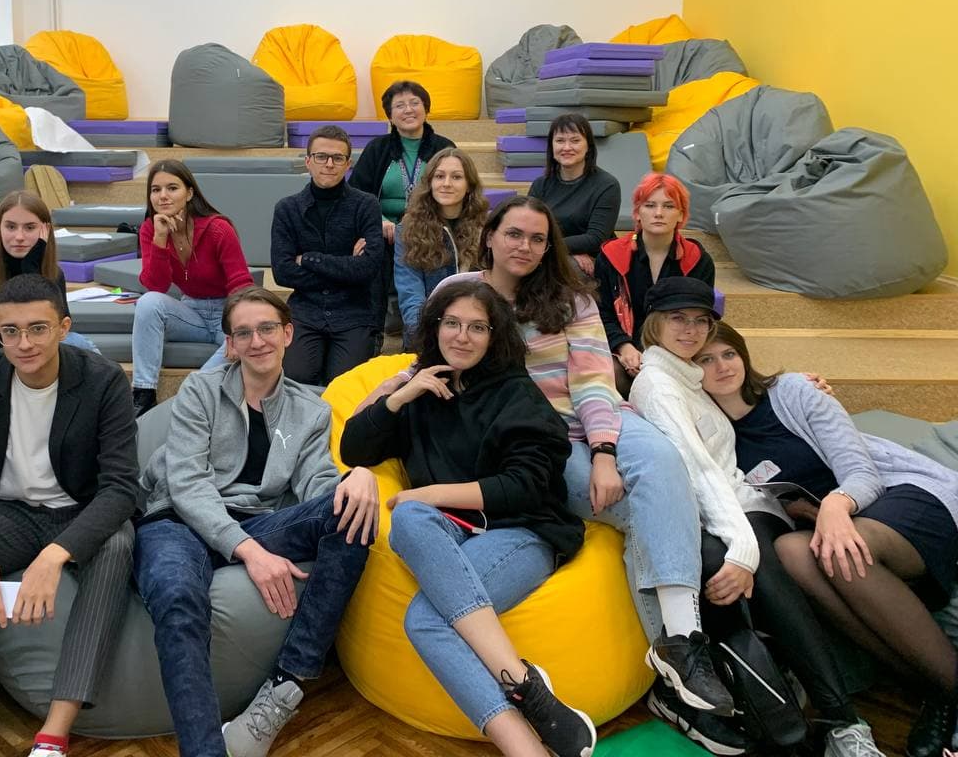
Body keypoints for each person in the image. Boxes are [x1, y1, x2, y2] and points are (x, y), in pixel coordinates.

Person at [362, 196, 729, 721]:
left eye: (537, 238)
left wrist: (604, 450)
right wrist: (392, 392)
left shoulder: (569, 297)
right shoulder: (460, 290)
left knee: (662, 461)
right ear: (490, 236)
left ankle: (684, 641)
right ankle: (674, 660)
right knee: (649, 511)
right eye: (514, 234)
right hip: (535, 435)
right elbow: (431, 356)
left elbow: (593, 378)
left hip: (596, 417)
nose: (525, 246)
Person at [629, 278, 886, 757]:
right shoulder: (658, 385)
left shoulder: (687, 375)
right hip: (734, 511)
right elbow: (699, 471)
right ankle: (833, 720)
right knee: (744, 567)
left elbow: (728, 437)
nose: (690, 330)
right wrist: (742, 548)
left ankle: (831, 717)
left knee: (756, 566)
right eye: (677, 318)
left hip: (748, 505)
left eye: (700, 321)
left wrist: (797, 385)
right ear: (653, 324)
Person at [342, 280, 595, 757]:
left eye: (477, 327)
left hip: (521, 531)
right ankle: (526, 688)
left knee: (425, 621)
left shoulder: (516, 393)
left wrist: (432, 494)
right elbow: (353, 447)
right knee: (411, 517)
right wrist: (398, 395)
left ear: (494, 336)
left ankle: (523, 740)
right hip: (449, 533)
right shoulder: (423, 389)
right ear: (434, 328)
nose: (462, 336)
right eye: (452, 323)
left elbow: (526, 485)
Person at [134, 286, 377, 757]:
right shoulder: (200, 391)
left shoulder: (311, 410)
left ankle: (287, 684)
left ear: (288, 334)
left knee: (351, 513)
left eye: (267, 328)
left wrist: (358, 477)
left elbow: (317, 485)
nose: (257, 341)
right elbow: (187, 484)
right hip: (177, 522)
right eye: (243, 333)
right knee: (176, 594)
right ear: (230, 344)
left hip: (257, 522)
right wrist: (251, 554)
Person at [697, 321, 958, 757]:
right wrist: (809, 514)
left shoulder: (794, 390)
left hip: (895, 495)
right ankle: (937, 690)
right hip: (830, 523)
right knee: (790, 551)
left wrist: (836, 506)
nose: (722, 366)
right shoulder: (716, 439)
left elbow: (861, 471)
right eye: (705, 360)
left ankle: (948, 689)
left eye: (729, 354)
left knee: (840, 548)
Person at [0, 274, 139, 757]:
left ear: (64, 328)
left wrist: (54, 557)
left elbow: (120, 487)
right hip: (5, 514)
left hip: (77, 513)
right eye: (10, 331)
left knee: (118, 542)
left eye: (38, 328)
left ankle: (54, 735)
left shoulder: (103, 380)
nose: (24, 343)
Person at [131, 160, 255, 416]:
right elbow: (156, 285)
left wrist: (235, 330)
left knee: (245, 346)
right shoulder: (150, 229)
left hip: (227, 312)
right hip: (190, 313)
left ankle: (189, 395)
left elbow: (241, 284)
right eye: (155, 190)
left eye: (172, 188)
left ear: (189, 193)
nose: (163, 196)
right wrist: (160, 239)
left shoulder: (218, 229)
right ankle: (143, 394)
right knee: (148, 303)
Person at [270, 125, 384, 386]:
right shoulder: (287, 209)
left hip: (354, 312)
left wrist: (309, 259)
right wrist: (347, 267)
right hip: (305, 312)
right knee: (295, 379)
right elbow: (283, 272)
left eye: (337, 158)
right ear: (308, 161)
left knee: (344, 383)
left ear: (348, 164)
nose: (329, 164)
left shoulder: (366, 205)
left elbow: (368, 269)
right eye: (321, 157)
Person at [349, 80, 456, 342]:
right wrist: (378, 220)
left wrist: (420, 221)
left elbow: (456, 191)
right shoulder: (377, 149)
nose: (408, 110)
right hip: (384, 228)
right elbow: (357, 194)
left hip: (431, 225)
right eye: (399, 105)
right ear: (390, 115)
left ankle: (426, 327)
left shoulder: (445, 148)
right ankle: (372, 332)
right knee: (369, 248)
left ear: (426, 109)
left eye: (414, 103)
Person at [596, 173, 714, 395]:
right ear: (637, 212)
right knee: (609, 372)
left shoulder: (697, 259)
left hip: (678, 350)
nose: (658, 213)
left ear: (681, 214)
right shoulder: (611, 255)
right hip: (625, 350)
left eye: (669, 206)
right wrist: (623, 346)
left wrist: (659, 359)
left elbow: (700, 318)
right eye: (650, 205)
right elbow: (602, 312)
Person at [0, 190, 94, 360]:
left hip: (35, 352)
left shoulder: (52, 273)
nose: (19, 236)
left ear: (45, 230)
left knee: (79, 343)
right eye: (11, 227)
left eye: (30, 227)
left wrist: (31, 270)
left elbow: (57, 331)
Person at [393, 148, 487, 342]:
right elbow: (410, 293)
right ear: (429, 183)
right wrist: (428, 336)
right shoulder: (407, 229)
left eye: (456, 177)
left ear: (469, 185)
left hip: (475, 332)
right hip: (426, 333)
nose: (446, 184)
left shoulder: (486, 229)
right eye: (439, 176)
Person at [528, 114, 621, 276]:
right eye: (560, 141)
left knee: (566, 268)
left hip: (591, 260)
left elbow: (596, 238)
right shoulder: (540, 185)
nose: (567, 147)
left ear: (588, 146)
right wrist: (562, 252)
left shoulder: (607, 185)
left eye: (575, 140)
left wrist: (555, 249)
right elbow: (529, 227)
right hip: (546, 253)